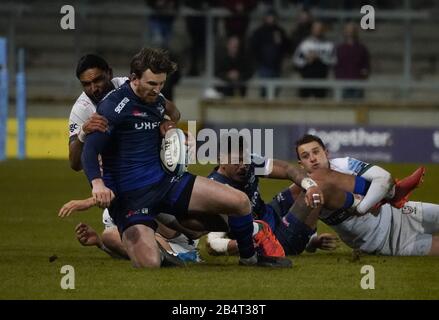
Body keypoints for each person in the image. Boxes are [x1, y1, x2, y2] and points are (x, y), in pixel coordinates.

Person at [80, 48, 323, 268]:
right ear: (133, 79)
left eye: (162, 84)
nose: (158, 89)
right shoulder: (113, 107)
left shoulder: (156, 99)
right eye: (152, 83)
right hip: (131, 198)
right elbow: (89, 151)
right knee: (149, 264)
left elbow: (172, 112)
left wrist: (170, 126)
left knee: (240, 203)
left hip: (166, 184)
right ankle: (163, 255)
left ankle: (250, 259)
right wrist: (97, 183)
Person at [207, 133, 425, 256]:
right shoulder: (215, 191)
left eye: (245, 158)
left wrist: (308, 185)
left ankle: (386, 195)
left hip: (272, 212)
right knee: (322, 184)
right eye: (237, 161)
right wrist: (251, 244)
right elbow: (212, 243)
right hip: (274, 240)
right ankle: (380, 197)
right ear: (220, 160)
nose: (244, 165)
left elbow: (288, 169)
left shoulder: (248, 162)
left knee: (312, 179)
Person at [295, 134, 439, 256]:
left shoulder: (345, 164)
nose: (313, 158)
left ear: (326, 153)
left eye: (316, 152)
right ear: (301, 164)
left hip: (401, 213)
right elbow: (304, 235)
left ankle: (393, 194)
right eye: (306, 156)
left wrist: (361, 208)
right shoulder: (305, 191)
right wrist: (314, 241)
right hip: (386, 243)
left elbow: (383, 178)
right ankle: (394, 194)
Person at [249, 8, 289, 98]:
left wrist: (281, 42)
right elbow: (253, 48)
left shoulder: (280, 32)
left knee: (275, 91)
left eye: (273, 17)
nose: (271, 19)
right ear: (265, 18)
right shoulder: (259, 32)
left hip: (276, 66)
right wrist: (258, 62)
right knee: (264, 90)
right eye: (269, 17)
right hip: (264, 66)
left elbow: (287, 48)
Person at [293, 21, 336, 98]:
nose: (318, 30)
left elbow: (334, 60)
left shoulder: (328, 45)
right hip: (306, 78)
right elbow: (296, 59)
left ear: (323, 30)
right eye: (315, 28)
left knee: (320, 105)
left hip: (321, 78)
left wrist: (319, 57)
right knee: (303, 104)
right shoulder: (305, 44)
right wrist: (306, 59)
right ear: (312, 30)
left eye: (320, 28)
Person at [334, 22, 370, 100]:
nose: (350, 32)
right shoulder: (339, 48)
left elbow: (366, 64)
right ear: (344, 31)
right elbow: (335, 65)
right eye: (348, 30)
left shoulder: (361, 48)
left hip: (357, 82)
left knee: (357, 106)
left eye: (352, 30)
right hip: (342, 83)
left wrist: (364, 73)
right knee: (342, 109)